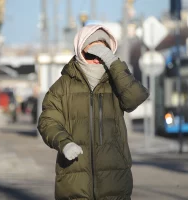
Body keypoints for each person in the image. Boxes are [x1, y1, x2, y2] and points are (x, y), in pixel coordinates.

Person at [37, 24, 149, 200]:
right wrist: (64, 143)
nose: (97, 60)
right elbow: (48, 121)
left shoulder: (116, 83)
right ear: (80, 51)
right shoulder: (62, 86)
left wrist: (113, 63)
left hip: (115, 182)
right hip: (74, 182)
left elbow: (136, 97)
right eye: (91, 54)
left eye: (103, 53)